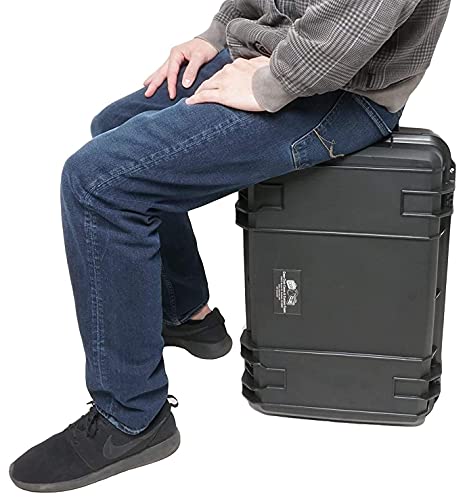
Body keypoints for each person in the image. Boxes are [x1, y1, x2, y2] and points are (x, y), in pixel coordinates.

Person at [9, 0, 450, 492]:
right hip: (278, 54)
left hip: (339, 88)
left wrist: (270, 84)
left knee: (97, 182)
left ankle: (131, 418)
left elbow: (348, 27)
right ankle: (186, 314)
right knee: (113, 130)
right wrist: (216, 35)